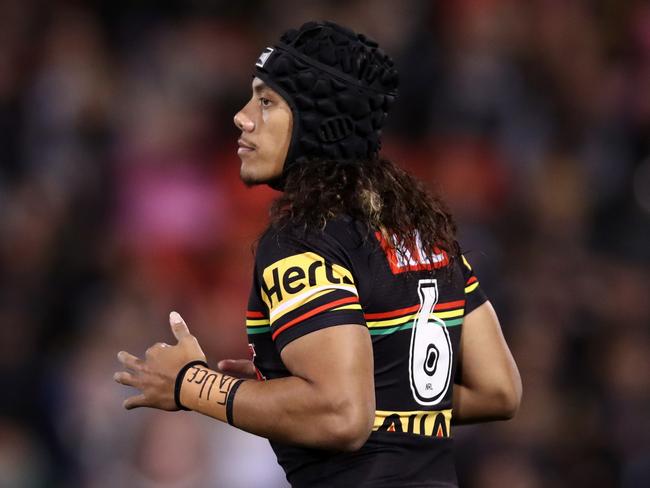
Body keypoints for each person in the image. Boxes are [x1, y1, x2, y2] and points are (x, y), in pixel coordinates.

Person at [114, 21, 522, 487]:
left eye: (266, 102)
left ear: (315, 119)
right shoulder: (420, 230)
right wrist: (307, 392)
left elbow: (341, 414)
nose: (242, 117)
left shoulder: (303, 236)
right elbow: (497, 390)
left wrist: (193, 384)